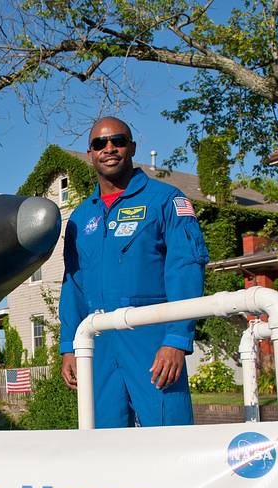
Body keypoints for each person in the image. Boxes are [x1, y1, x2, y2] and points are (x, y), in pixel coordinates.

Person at [59, 117, 209, 428]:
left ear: (132, 148)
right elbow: (72, 285)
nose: (109, 148)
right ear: (90, 153)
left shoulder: (165, 200)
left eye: (118, 141)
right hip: (97, 343)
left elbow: (185, 269)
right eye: (100, 143)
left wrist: (176, 339)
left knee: (170, 437)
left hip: (152, 340)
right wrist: (69, 347)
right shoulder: (80, 217)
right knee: (104, 445)